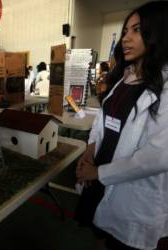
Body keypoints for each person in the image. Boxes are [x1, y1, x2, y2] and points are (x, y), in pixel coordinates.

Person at [75, 2, 168, 250]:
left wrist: (98, 173)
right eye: (125, 31)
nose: (126, 38)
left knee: (120, 243)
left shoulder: (165, 87)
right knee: (99, 236)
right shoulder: (123, 77)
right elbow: (103, 120)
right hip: (99, 177)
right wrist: (91, 148)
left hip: (129, 193)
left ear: (157, 33)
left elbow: (158, 156)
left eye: (136, 30)